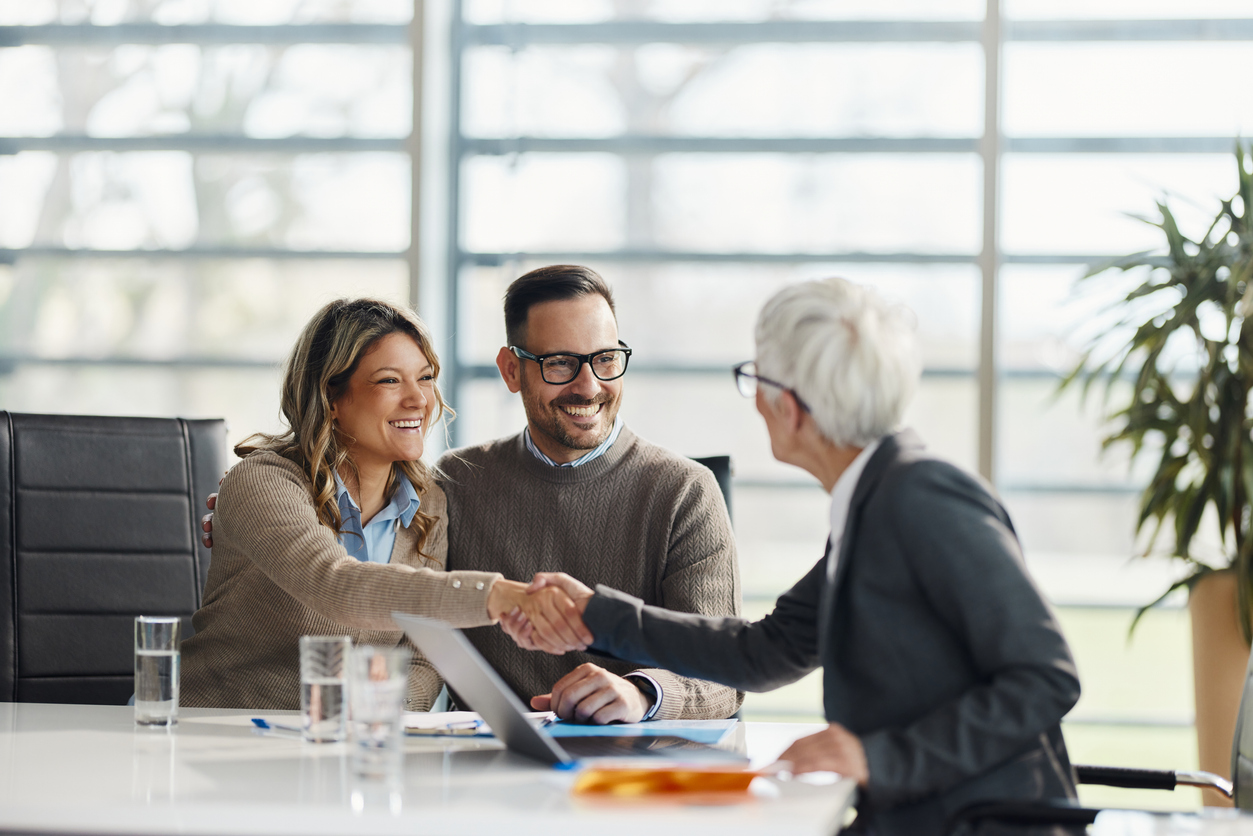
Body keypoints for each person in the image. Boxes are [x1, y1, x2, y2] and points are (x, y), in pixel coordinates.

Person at [517, 278, 1081, 835]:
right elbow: (766, 651)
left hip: (982, 823)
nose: (755, 400)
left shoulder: (922, 498)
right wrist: (597, 615)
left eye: (756, 379)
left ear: (789, 407)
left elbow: (1045, 678)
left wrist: (875, 758)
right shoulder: (871, 501)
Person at [181, 298, 588, 710]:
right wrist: (500, 596)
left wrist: (374, 716)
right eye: (390, 381)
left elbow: (422, 658)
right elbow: (335, 585)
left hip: (336, 749)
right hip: (211, 735)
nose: (418, 400)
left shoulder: (429, 504)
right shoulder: (264, 481)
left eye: (425, 377)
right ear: (331, 399)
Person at [436, 265, 743, 723]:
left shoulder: (685, 493)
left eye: (605, 359)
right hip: (485, 766)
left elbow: (725, 671)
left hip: (633, 771)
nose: (590, 386)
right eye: (560, 363)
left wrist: (641, 694)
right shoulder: (456, 482)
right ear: (511, 369)